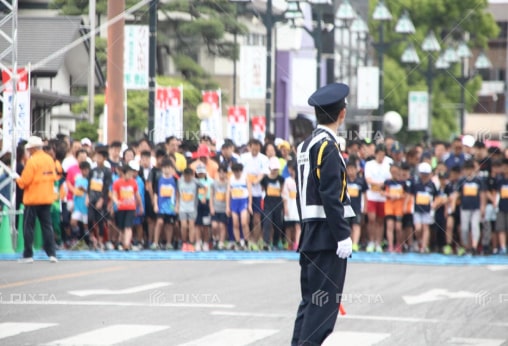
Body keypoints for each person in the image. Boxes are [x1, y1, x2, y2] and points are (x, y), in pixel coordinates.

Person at [292, 83, 353, 346]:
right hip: (327, 238)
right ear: (342, 113)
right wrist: (342, 236)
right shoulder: (328, 146)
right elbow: (331, 194)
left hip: (310, 235)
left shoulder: (305, 145)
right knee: (323, 308)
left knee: (310, 304)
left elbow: (301, 193)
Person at [16, 136, 59, 263]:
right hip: (46, 198)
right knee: (47, 226)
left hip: (33, 199)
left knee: (28, 226)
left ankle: (28, 255)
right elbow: (54, 177)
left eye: (29, 149)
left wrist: (16, 179)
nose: (28, 151)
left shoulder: (32, 161)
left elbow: (24, 181)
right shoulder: (50, 160)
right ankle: (52, 254)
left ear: (33, 149)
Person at [112, 162, 144, 251]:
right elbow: (114, 195)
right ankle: (121, 242)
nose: (131, 176)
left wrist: (141, 206)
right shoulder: (117, 183)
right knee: (121, 227)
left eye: (132, 174)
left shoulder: (133, 182)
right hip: (121, 207)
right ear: (124, 173)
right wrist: (116, 201)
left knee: (128, 226)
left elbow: (137, 195)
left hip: (131, 207)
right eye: (129, 174)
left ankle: (127, 243)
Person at [152, 159, 178, 250]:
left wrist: (177, 206)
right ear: (162, 169)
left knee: (169, 225)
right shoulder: (159, 179)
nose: (167, 170)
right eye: (165, 168)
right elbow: (156, 193)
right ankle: (155, 242)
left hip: (171, 206)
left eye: (169, 168)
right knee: (159, 222)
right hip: (161, 206)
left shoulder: (175, 179)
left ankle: (169, 243)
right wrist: (155, 204)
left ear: (172, 169)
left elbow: (178, 194)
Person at [261, 156, 285, 250]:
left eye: (276, 169)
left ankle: (275, 243)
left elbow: (282, 190)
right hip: (268, 203)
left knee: (278, 224)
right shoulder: (265, 179)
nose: (275, 170)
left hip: (278, 203)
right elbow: (263, 189)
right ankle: (266, 242)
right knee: (267, 222)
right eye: (273, 168)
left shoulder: (281, 179)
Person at [226, 163, 252, 250]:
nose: (237, 174)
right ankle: (238, 242)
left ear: (241, 171)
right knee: (235, 223)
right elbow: (228, 193)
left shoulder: (245, 178)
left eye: (238, 172)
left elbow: (250, 192)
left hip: (243, 201)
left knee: (244, 223)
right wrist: (227, 206)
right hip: (234, 202)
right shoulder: (231, 178)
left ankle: (246, 241)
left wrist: (250, 205)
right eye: (235, 172)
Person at [178, 168, 199, 252]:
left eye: (189, 176)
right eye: (186, 176)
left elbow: (205, 188)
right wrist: (177, 205)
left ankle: (191, 243)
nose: (188, 178)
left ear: (192, 175)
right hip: (182, 207)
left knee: (191, 225)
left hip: (192, 207)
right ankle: (184, 242)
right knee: (183, 226)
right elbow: (177, 193)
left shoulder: (195, 181)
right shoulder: (180, 181)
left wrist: (203, 197)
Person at [282, 161, 300, 251]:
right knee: (289, 227)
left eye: (292, 169)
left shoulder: (301, 179)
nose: (291, 171)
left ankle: (297, 244)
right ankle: (289, 243)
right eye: (289, 169)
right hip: (289, 206)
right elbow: (284, 195)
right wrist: (285, 207)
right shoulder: (287, 181)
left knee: (298, 226)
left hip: (297, 208)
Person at [210, 165, 229, 250]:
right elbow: (211, 195)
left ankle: (221, 242)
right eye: (220, 172)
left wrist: (228, 208)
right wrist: (211, 207)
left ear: (226, 173)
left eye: (224, 172)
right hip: (216, 207)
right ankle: (215, 238)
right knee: (214, 226)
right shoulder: (214, 183)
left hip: (224, 208)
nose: (222, 174)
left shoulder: (229, 183)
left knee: (222, 226)